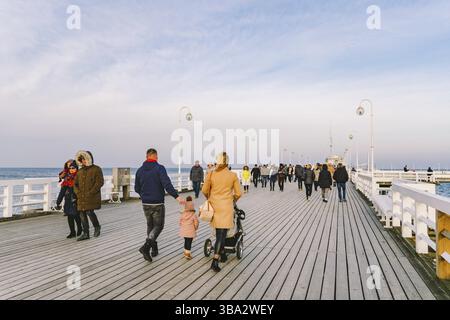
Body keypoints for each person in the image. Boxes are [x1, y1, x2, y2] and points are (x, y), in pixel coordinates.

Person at [135, 148, 185, 262]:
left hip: (145, 203)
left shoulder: (139, 170)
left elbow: (136, 188)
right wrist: (177, 197)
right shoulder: (159, 168)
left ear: (146, 156)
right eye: (157, 157)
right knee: (159, 226)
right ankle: (146, 247)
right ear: (155, 156)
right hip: (157, 202)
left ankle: (154, 250)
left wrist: (144, 195)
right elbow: (166, 184)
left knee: (150, 225)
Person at [202, 152, 242, 272]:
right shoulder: (232, 175)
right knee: (222, 234)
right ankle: (215, 260)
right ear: (227, 162)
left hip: (214, 206)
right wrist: (232, 199)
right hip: (226, 206)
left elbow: (204, 190)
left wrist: (210, 198)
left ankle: (223, 253)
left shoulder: (211, 174)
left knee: (219, 232)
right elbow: (239, 193)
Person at [74, 151, 104, 241]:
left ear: (89, 158)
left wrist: (91, 192)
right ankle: (85, 233)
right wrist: (77, 192)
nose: (83, 161)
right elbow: (75, 184)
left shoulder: (96, 169)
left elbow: (99, 182)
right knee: (82, 214)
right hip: (81, 196)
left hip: (92, 196)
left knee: (90, 212)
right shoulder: (80, 171)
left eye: (84, 158)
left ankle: (97, 226)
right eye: (81, 159)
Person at [63, 161, 82, 238]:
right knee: (69, 216)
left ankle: (80, 228)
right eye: (70, 168)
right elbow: (63, 189)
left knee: (76, 215)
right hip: (68, 199)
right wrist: (59, 200)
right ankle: (72, 232)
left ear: (76, 169)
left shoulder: (79, 176)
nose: (71, 169)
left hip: (76, 198)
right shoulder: (67, 177)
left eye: (73, 168)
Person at [179, 196, 199, 260]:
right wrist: (195, 228)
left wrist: (182, 227)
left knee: (186, 241)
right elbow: (196, 223)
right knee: (189, 242)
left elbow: (180, 222)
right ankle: (187, 254)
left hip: (184, 231)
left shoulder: (183, 214)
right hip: (190, 231)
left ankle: (185, 251)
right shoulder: (193, 215)